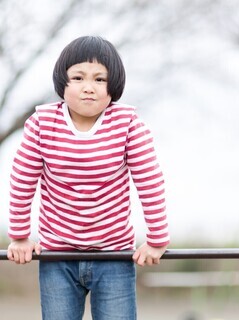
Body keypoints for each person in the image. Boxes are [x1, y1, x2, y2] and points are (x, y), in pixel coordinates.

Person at [7, 36, 170, 320]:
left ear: (113, 85)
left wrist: (157, 238)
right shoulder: (42, 124)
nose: (88, 87)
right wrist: (20, 236)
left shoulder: (128, 124)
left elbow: (150, 181)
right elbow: (22, 180)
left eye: (99, 79)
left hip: (114, 254)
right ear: (63, 82)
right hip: (57, 256)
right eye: (78, 77)